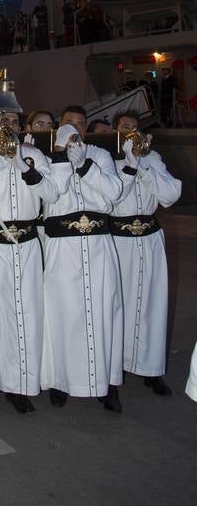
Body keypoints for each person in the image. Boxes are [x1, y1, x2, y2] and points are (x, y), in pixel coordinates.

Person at [0, 112, 58, 412]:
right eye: (2, 123)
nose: (8, 128)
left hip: (27, 244)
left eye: (14, 123)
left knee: (26, 313)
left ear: (21, 127)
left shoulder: (33, 154)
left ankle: (20, 383)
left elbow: (52, 193)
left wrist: (23, 166)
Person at [41, 105, 124, 412]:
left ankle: (106, 383)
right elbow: (50, 195)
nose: (74, 128)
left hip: (98, 243)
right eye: (68, 123)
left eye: (80, 123)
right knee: (63, 312)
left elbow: (112, 193)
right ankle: (62, 380)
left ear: (86, 128)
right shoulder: (47, 156)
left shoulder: (99, 156)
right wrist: (63, 158)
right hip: (63, 245)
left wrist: (86, 166)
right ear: (58, 127)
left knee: (102, 311)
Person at [111, 111, 181, 396]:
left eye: (135, 128)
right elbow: (110, 197)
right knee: (119, 304)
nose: (131, 133)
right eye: (125, 128)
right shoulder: (108, 160)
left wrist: (142, 164)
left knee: (151, 304)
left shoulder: (153, 159)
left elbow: (169, 195)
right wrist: (128, 162)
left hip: (149, 238)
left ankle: (151, 369)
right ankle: (116, 365)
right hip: (119, 240)